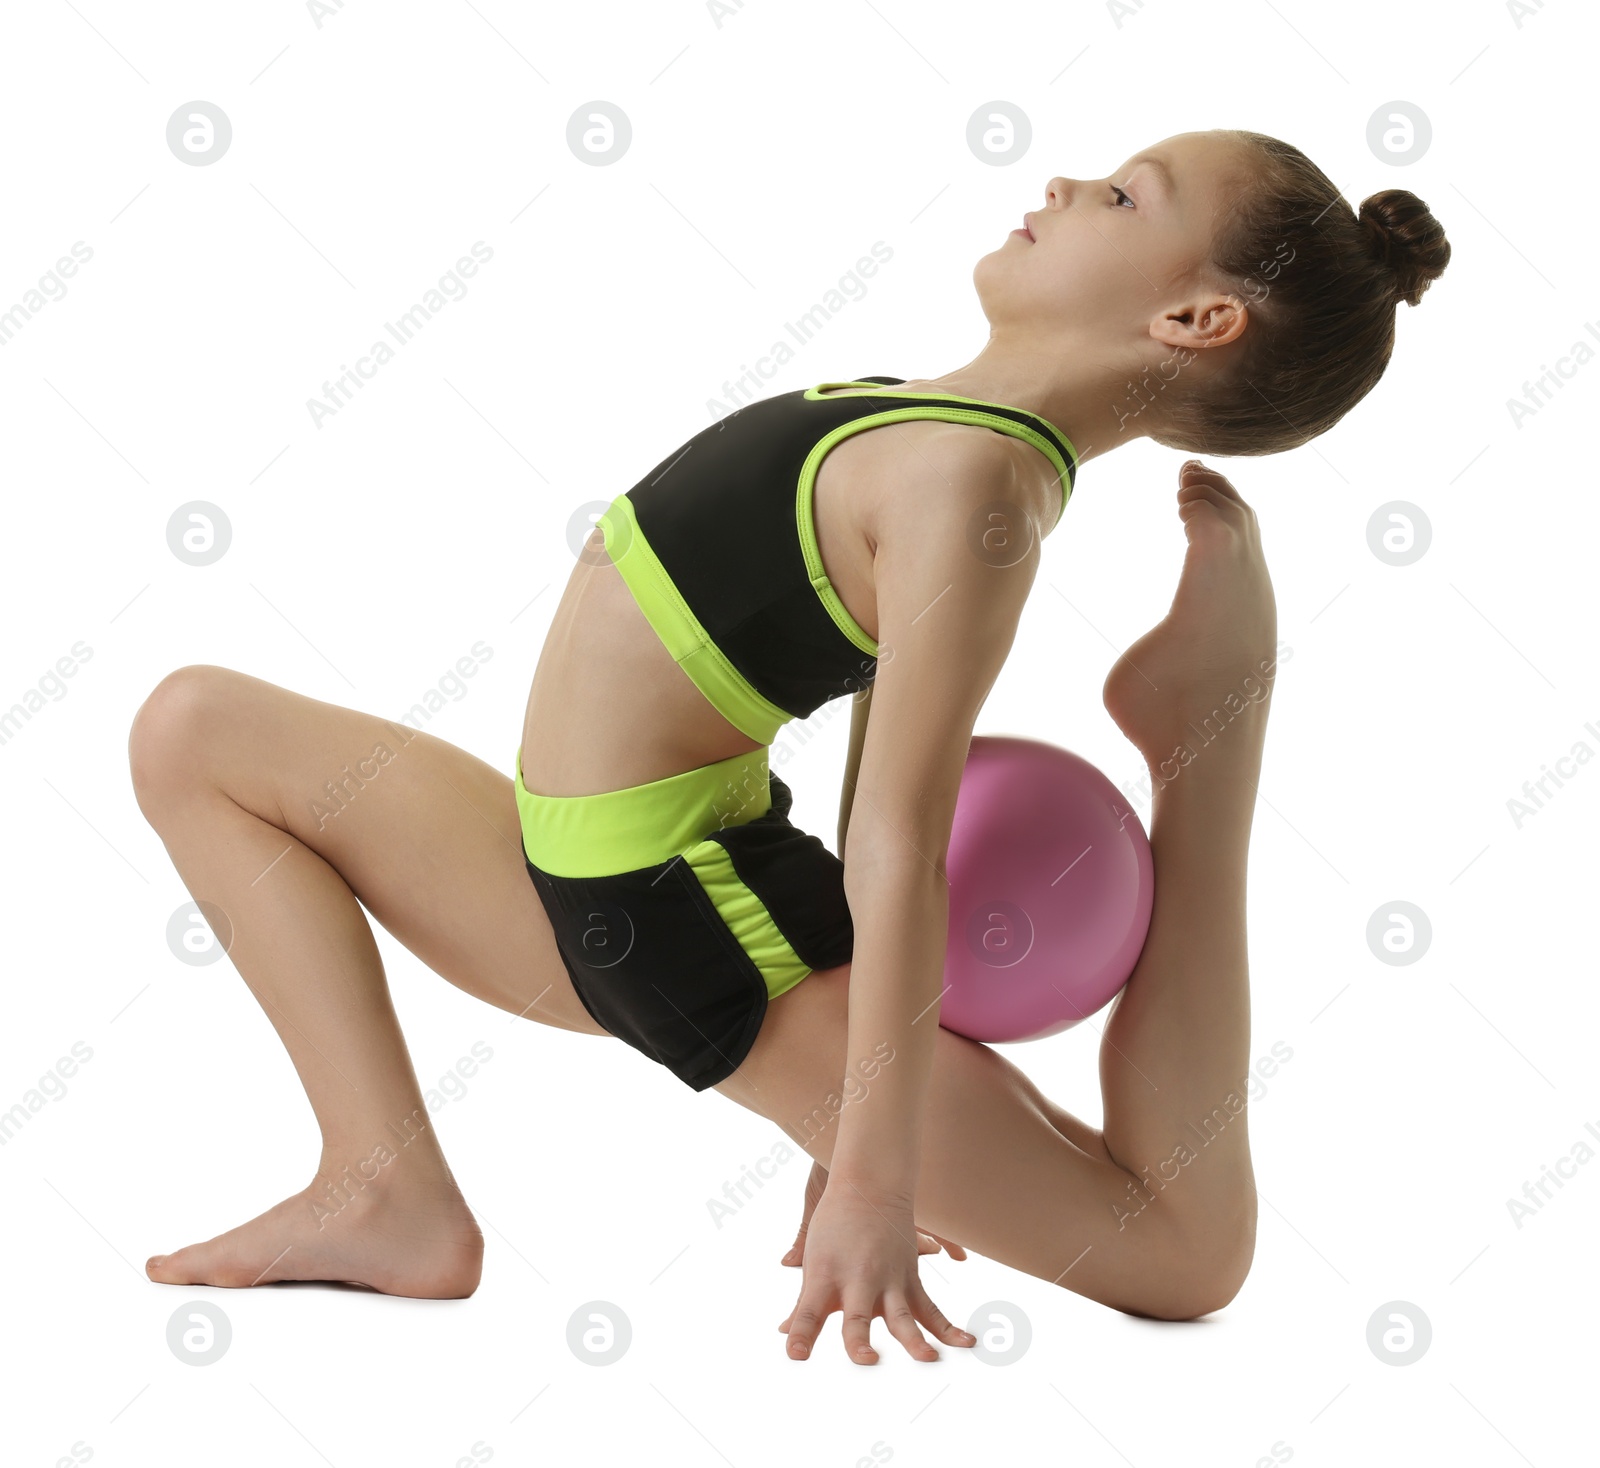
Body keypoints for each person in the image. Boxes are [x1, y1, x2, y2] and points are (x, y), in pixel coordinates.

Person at [129, 129, 1450, 1364]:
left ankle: (1213, 730)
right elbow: (876, 760)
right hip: (583, 885)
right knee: (194, 731)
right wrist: (853, 1118)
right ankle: (383, 1186)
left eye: (1121, 196)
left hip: (699, 941)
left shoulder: (978, 490)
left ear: (1196, 320)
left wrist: (870, 1170)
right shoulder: (933, 430)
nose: (1061, 185)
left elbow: (901, 837)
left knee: (1182, 1254)